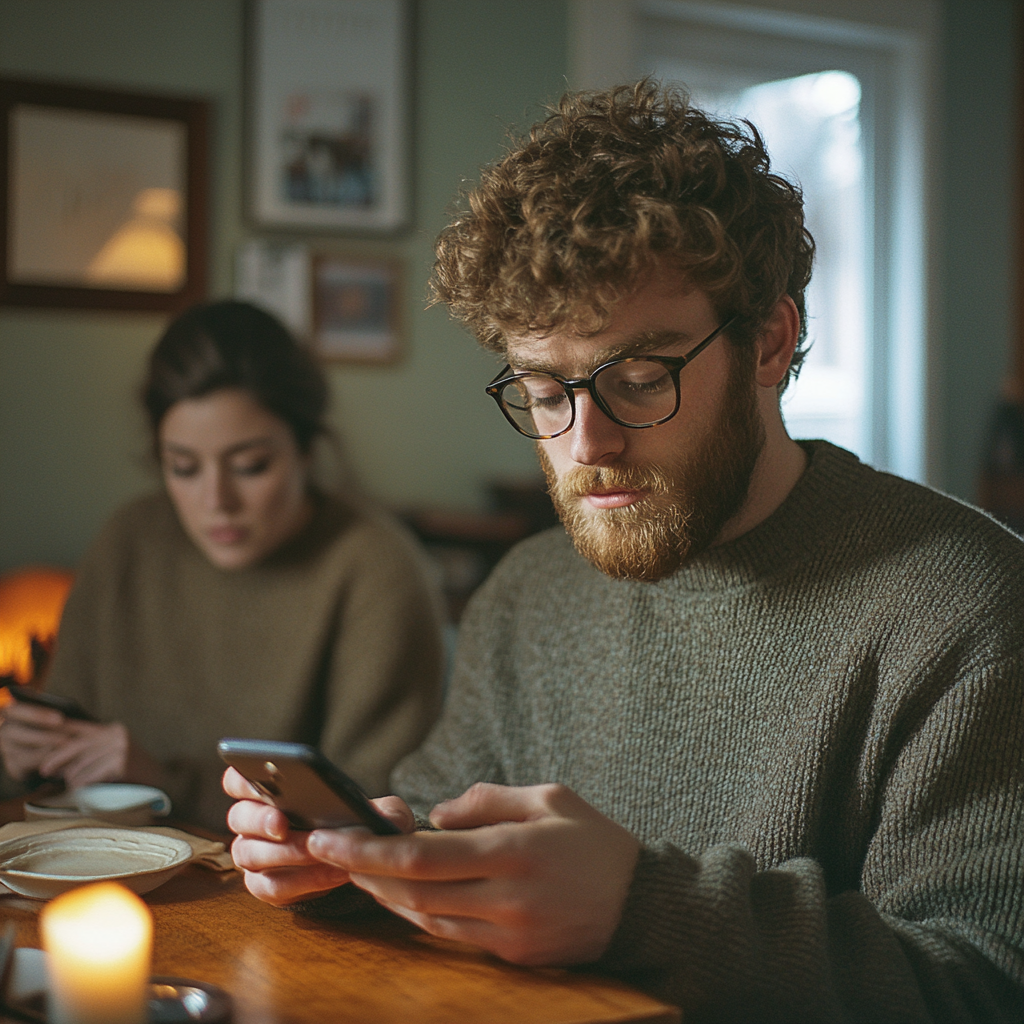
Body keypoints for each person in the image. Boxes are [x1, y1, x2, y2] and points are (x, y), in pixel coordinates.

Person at [223, 82, 1024, 1022]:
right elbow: (446, 824)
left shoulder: (964, 605)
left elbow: (983, 984)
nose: (585, 445)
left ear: (770, 341)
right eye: (546, 392)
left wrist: (640, 910)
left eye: (641, 380)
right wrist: (360, 865)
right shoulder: (527, 593)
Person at [0, 300, 445, 830]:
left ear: (306, 450)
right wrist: (23, 758)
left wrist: (164, 785)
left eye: (250, 466)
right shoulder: (128, 540)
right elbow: (57, 750)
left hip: (277, 902)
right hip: (104, 879)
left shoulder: (377, 568)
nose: (217, 500)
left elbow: (368, 818)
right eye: (183, 468)